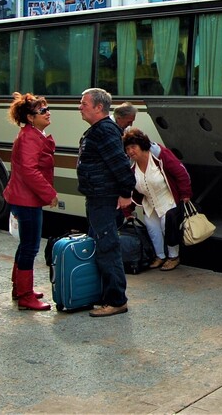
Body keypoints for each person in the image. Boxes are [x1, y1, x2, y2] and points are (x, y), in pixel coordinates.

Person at [77, 88, 136, 317]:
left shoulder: (104, 131)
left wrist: (124, 193)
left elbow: (121, 166)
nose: (80, 107)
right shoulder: (100, 130)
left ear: (99, 107)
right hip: (97, 198)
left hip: (103, 199)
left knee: (107, 247)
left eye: (84, 103)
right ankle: (104, 295)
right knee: (99, 245)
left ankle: (116, 299)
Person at [3, 93, 58, 311]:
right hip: (27, 199)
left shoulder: (31, 134)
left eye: (47, 109)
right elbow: (29, 170)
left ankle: (20, 288)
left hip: (25, 197)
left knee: (26, 245)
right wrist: (49, 193)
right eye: (42, 111)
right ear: (30, 117)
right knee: (30, 246)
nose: (47, 113)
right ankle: (25, 295)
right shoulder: (29, 137)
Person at [122, 128, 192, 272]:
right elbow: (131, 189)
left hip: (167, 199)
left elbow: (181, 173)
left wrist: (185, 194)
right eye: (127, 148)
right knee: (152, 228)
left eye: (133, 147)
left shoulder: (160, 156)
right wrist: (128, 210)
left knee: (167, 226)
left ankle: (174, 257)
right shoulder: (132, 167)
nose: (130, 151)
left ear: (142, 145)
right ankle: (160, 256)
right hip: (150, 203)